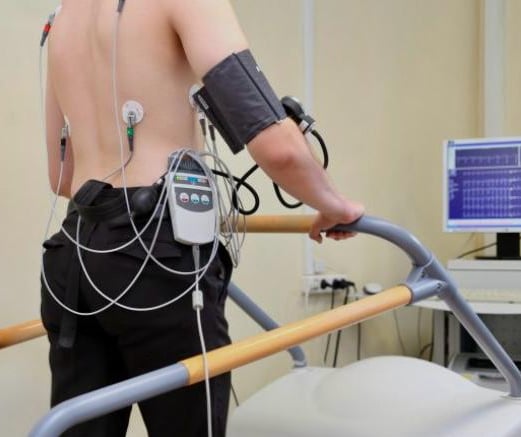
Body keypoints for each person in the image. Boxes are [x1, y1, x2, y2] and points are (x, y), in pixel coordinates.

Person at [41, 1, 365, 436]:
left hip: (74, 254)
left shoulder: (63, 18)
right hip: (155, 255)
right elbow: (278, 146)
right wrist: (334, 204)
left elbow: (61, 177)